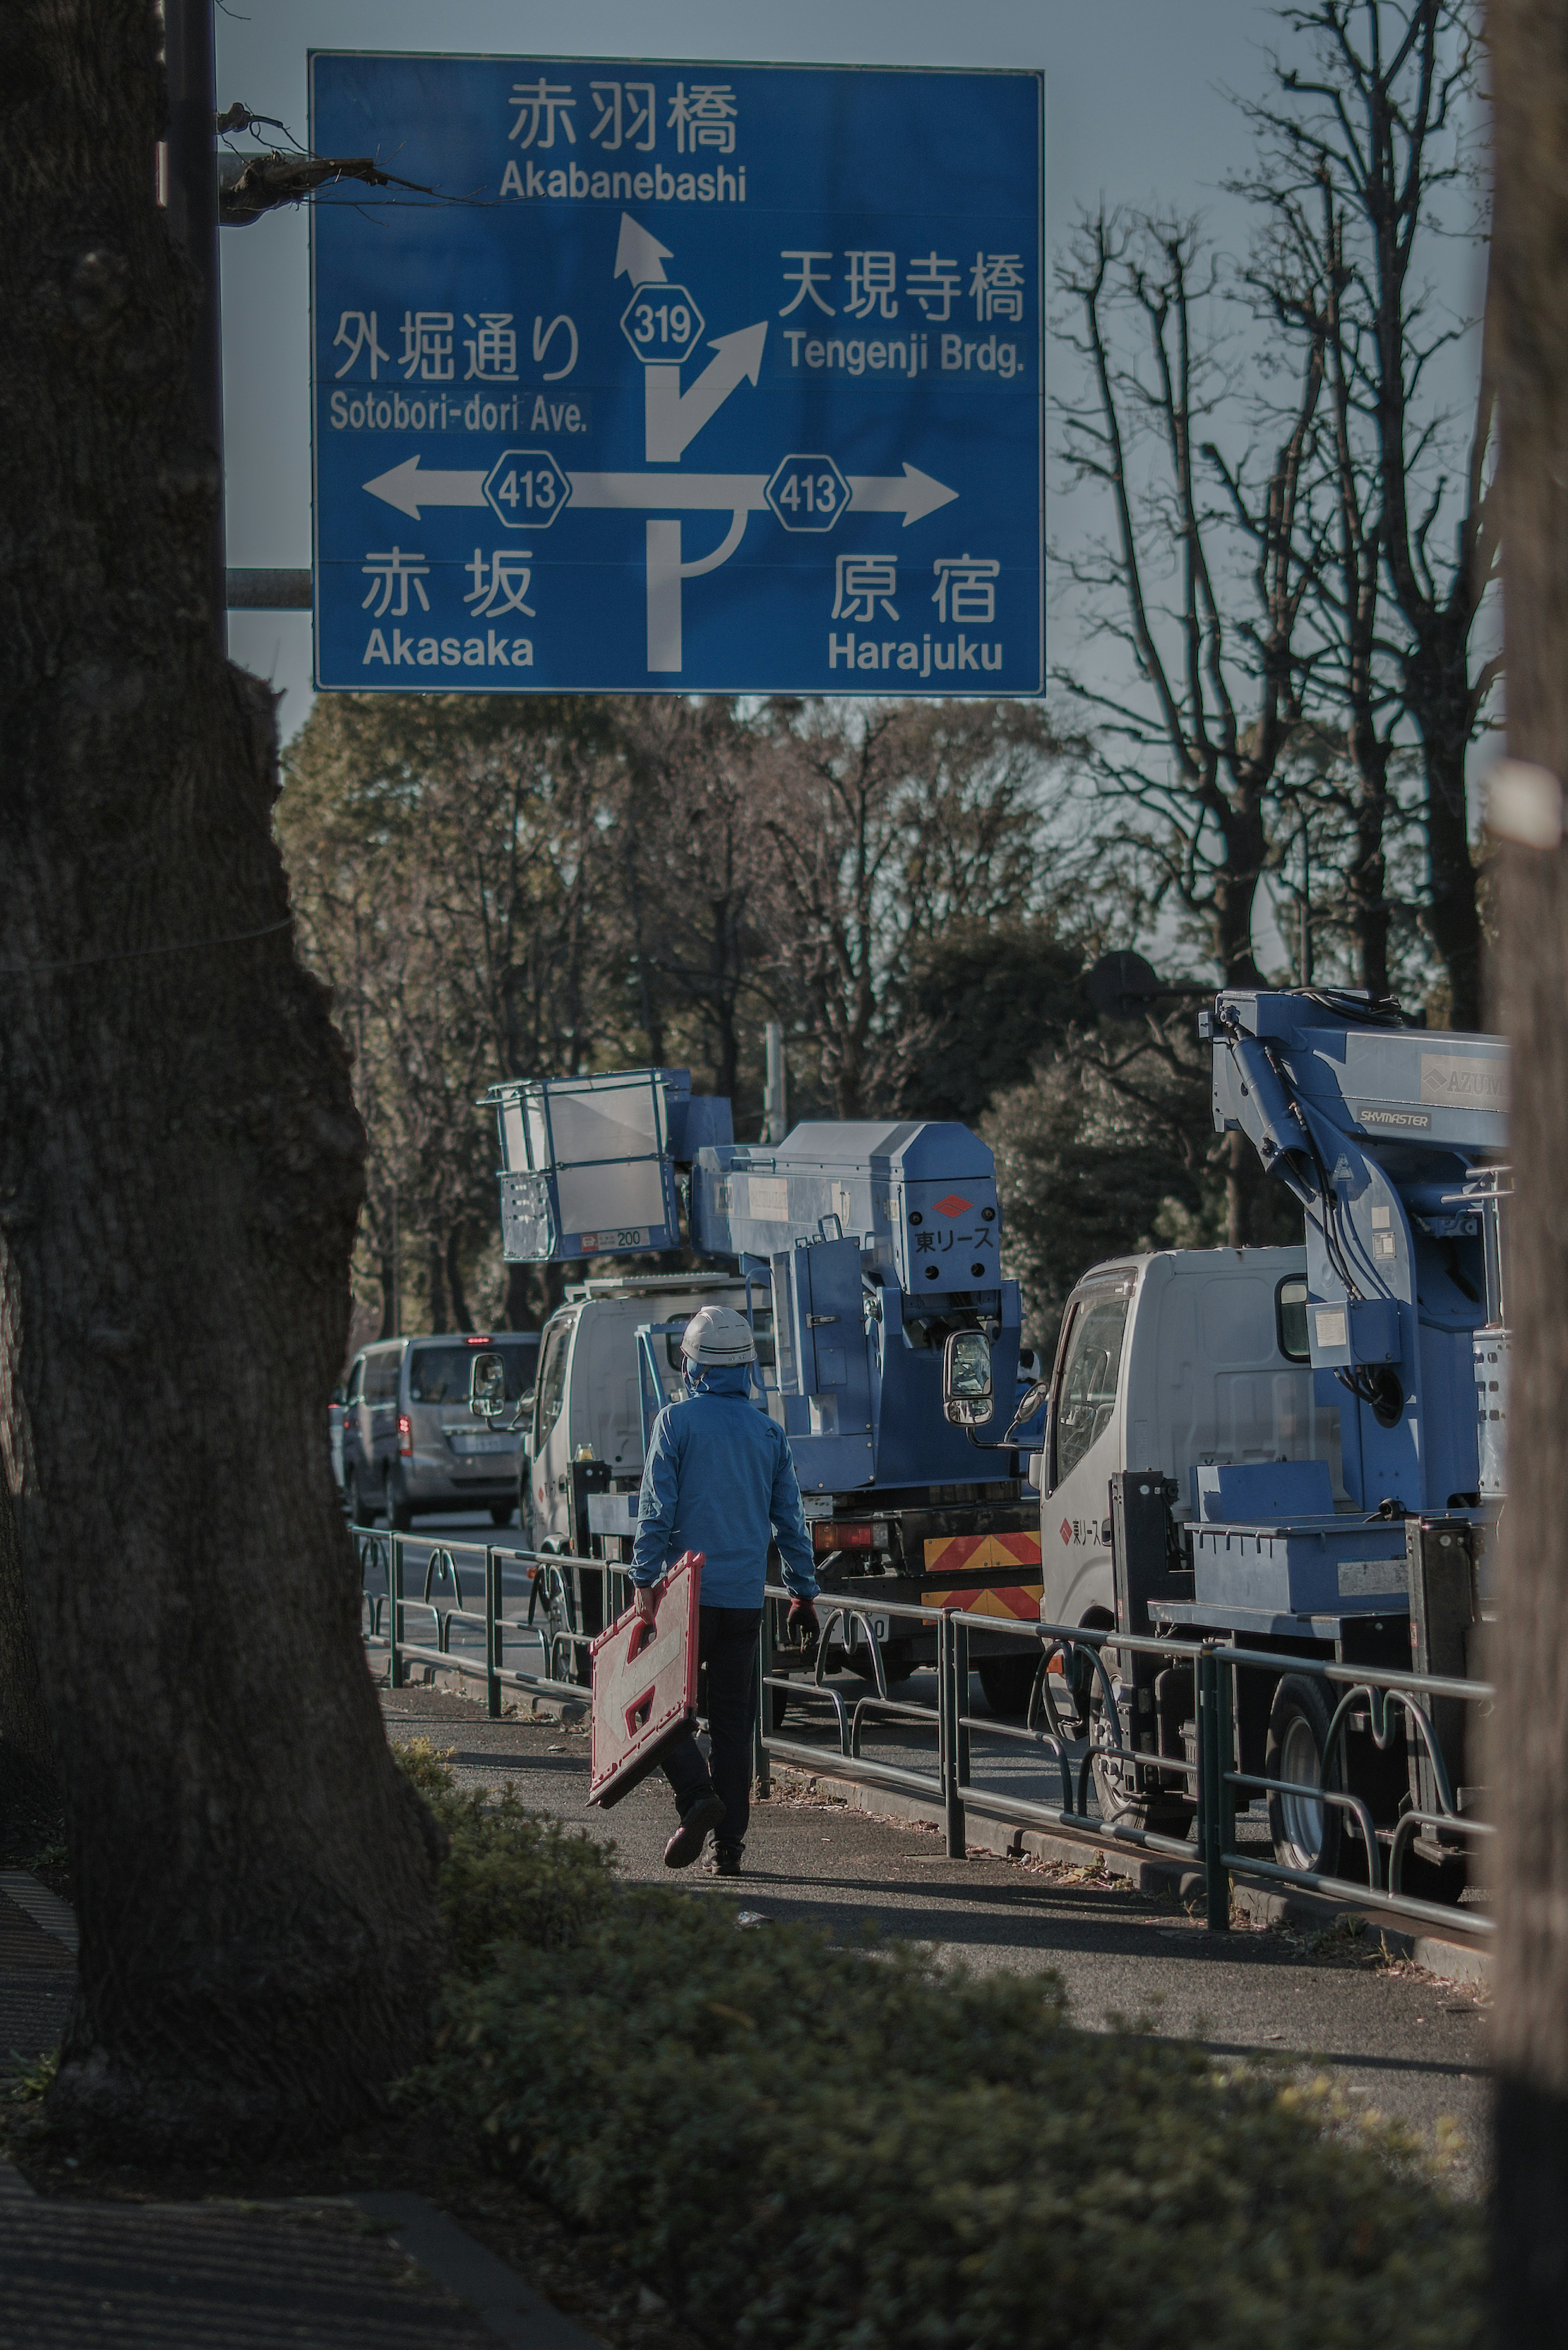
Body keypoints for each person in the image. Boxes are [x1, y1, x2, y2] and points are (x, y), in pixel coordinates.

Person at [631, 1302, 819, 1875]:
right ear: (747, 1367)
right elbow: (790, 1522)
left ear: (692, 1366)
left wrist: (644, 1580)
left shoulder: (674, 1423)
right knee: (736, 1725)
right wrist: (802, 1591)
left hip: (685, 1597)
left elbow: (657, 1512)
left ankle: (695, 1796)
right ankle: (728, 1849)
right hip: (742, 1602)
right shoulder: (769, 1433)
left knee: (651, 1708)